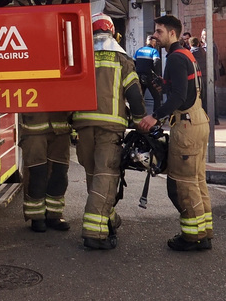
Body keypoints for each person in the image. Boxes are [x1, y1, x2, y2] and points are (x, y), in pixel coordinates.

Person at [139, 13, 213, 252]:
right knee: (197, 181)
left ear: (172, 33)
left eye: (159, 31)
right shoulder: (186, 55)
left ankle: (192, 238)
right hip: (199, 120)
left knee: (182, 184)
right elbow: (183, 89)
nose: (155, 36)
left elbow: (180, 97)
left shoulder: (175, 59)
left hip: (187, 125)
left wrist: (154, 115)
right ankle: (204, 232)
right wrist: (160, 82)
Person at [72, 15, 145, 251]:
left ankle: (110, 218)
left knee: (95, 177)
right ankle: (94, 232)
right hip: (109, 129)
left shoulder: (79, 57)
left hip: (83, 126)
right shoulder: (122, 59)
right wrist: (140, 122)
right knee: (105, 177)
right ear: (113, 33)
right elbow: (134, 94)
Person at [19, 112, 72, 233]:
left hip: (60, 129)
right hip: (34, 129)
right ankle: (36, 217)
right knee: (36, 172)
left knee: (59, 172)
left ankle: (54, 215)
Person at [133, 36, 163, 114]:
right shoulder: (154, 51)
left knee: (140, 97)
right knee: (157, 97)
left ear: (146, 42)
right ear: (154, 43)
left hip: (139, 77)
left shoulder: (139, 50)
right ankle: (156, 117)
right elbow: (156, 63)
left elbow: (133, 63)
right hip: (150, 77)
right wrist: (157, 75)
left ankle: (138, 115)